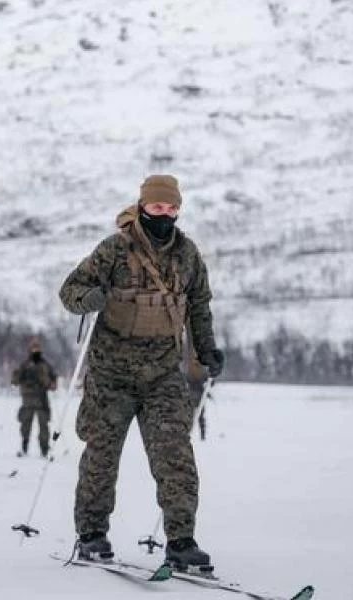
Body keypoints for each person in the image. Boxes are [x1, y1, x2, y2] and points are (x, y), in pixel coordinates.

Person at [58, 174, 225, 569]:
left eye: (171, 207)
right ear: (143, 206)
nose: (164, 213)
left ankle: (181, 540)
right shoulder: (114, 249)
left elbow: (199, 305)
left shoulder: (188, 256)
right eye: (156, 206)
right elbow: (70, 291)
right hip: (111, 374)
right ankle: (92, 534)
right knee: (101, 456)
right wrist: (89, 298)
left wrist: (206, 349)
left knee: (175, 455)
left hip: (163, 374)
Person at [11, 338, 57, 458]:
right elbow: (15, 380)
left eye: (37, 348)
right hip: (28, 400)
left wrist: (49, 383)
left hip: (42, 400)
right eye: (33, 348)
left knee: (44, 426)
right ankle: (24, 445)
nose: (35, 351)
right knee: (25, 425)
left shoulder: (45, 365)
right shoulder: (25, 365)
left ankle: (44, 449)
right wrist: (16, 376)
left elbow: (53, 381)